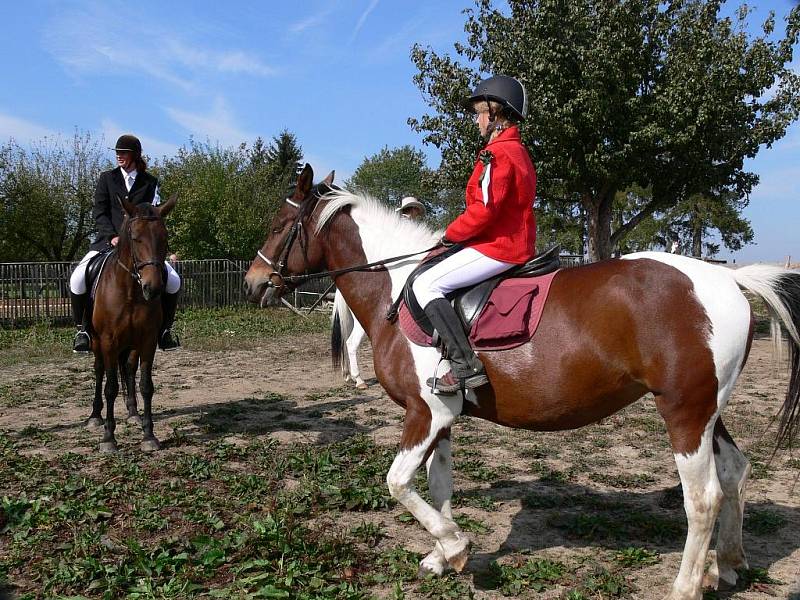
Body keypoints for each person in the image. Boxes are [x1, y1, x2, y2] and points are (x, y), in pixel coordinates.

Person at [412, 75, 537, 394]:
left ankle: (464, 365)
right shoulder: (516, 151)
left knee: (426, 283)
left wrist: (449, 236)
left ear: (495, 113)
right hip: (507, 242)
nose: (477, 120)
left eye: (480, 112)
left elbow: (484, 210)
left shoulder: (499, 154)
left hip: (499, 247)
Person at [69, 134, 181, 353]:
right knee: (77, 278)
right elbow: (99, 212)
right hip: (107, 242)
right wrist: (111, 235)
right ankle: (82, 330)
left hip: (141, 246)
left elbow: (155, 213)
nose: (119, 156)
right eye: (117, 152)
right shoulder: (106, 179)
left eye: (124, 152)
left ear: (135, 155)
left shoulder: (150, 182)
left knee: (174, 280)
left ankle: (165, 331)